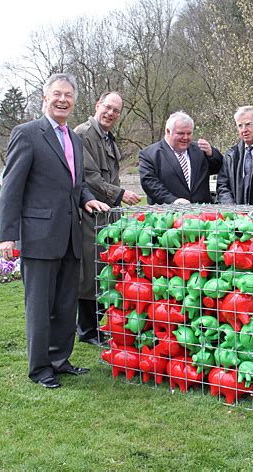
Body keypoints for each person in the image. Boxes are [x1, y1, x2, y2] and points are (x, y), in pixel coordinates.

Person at [0, 73, 109, 389]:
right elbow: (11, 188)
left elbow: (77, 184)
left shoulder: (74, 138)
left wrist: (88, 200)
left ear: (74, 101)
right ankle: (40, 368)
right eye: (57, 94)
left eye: (68, 95)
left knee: (64, 304)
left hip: (70, 236)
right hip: (39, 238)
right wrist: (7, 235)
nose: (63, 100)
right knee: (40, 307)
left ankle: (60, 360)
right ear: (45, 98)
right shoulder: (27, 134)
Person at [74, 91, 141, 346]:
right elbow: (89, 176)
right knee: (89, 271)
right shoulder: (83, 133)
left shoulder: (108, 139)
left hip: (106, 214)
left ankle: (99, 326)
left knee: (102, 270)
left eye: (116, 111)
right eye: (107, 107)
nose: (111, 113)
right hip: (89, 211)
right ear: (96, 106)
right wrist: (120, 194)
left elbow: (111, 176)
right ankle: (88, 330)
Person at [139, 111, 223, 205]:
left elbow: (221, 168)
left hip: (201, 215)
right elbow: (150, 184)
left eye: (189, 133)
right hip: (167, 215)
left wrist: (212, 153)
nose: (186, 138)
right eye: (181, 133)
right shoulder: (150, 155)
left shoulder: (201, 150)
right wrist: (172, 200)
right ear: (168, 131)